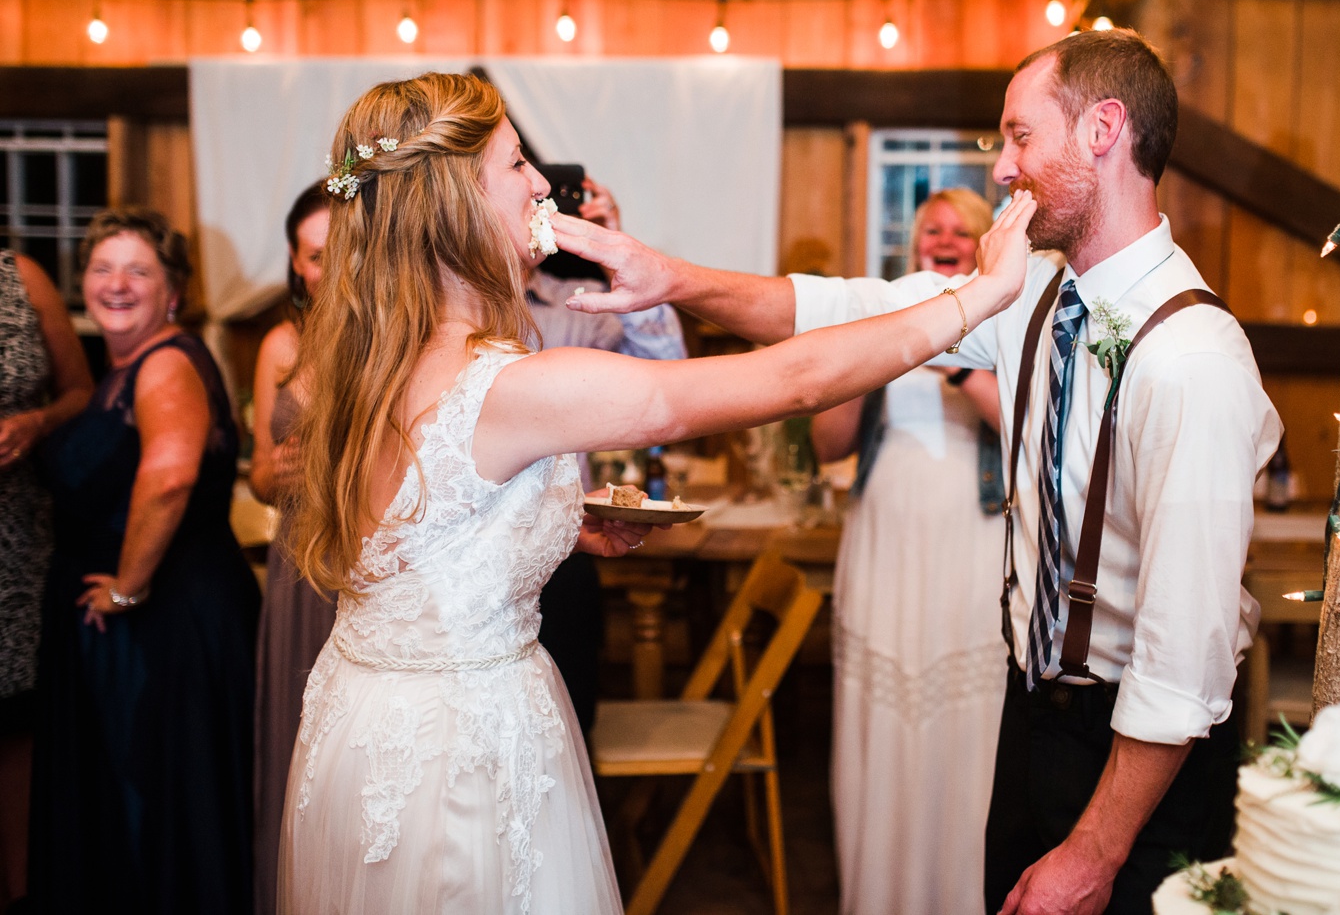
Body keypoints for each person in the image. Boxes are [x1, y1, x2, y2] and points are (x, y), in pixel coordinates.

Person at [558, 29, 1282, 915]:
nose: (1003, 172)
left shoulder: (1194, 358)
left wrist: (1095, 850)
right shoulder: (1034, 293)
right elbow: (846, 310)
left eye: (1020, 136)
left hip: (1136, 759)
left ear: (1104, 128)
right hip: (1030, 723)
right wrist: (668, 278)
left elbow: (1186, 657)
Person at [277, 71, 1035, 914]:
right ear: (456, 201)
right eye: (516, 163)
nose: (540, 185)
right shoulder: (509, 384)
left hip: (364, 724)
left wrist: (558, 520)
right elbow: (790, 381)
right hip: (461, 756)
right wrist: (983, 296)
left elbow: (423, 533)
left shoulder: (364, 361)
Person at [29, 208, 260, 914]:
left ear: (172, 291)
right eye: (102, 267)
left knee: (154, 808)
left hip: (165, 625)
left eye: (138, 269)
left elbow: (168, 478)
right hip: (146, 622)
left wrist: (126, 590)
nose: (116, 283)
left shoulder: (164, 362)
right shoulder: (121, 368)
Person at [812, 187, 1006, 915]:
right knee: (882, 718)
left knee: (967, 728)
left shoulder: (1006, 320)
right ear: (915, 244)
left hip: (973, 535)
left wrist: (953, 354)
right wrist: (865, 355)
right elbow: (829, 443)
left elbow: (1031, 435)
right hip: (884, 530)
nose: (946, 238)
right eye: (933, 228)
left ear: (984, 244)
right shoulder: (883, 313)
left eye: (962, 229)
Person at [527, 177, 686, 736]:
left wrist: (619, 256)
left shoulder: (576, 304)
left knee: (567, 733)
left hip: (564, 551)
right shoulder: (427, 310)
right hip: (453, 576)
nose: (539, 192)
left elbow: (668, 367)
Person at [248, 182, 337, 915]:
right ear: (295, 261)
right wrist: (274, 472)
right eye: (316, 254)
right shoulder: (282, 343)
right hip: (297, 567)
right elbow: (256, 474)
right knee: (299, 742)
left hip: (367, 567)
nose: (332, 266)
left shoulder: (395, 332)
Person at [0, 251, 92, 911]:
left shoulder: (20, 276)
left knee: (17, 725)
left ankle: (23, 893)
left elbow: (81, 391)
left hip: (18, 545)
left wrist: (35, 422)